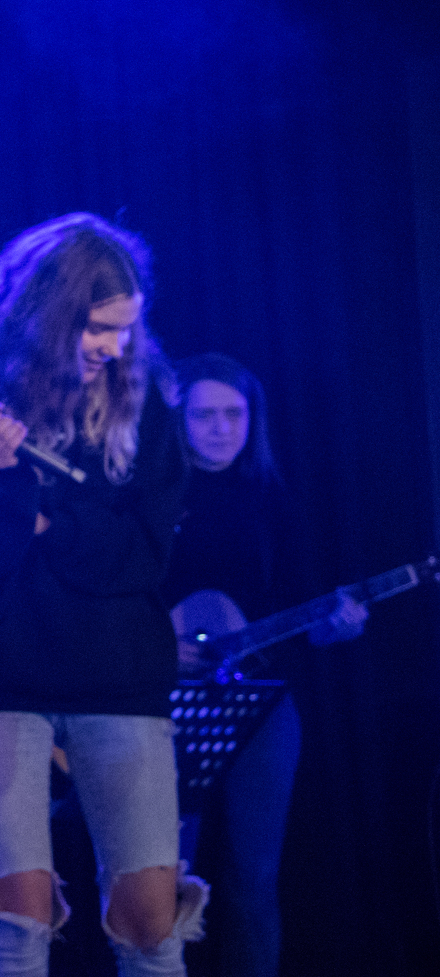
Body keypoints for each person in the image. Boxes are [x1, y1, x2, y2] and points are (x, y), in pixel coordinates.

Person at [0, 213, 206, 977]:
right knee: (17, 919)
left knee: (151, 923)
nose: (115, 347)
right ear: (45, 318)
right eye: (98, 328)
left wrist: (49, 519)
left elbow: (143, 557)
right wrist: (1, 484)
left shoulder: (146, 401)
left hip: (119, 674)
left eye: (125, 329)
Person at [163, 353, 362, 977]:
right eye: (204, 415)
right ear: (179, 420)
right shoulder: (152, 494)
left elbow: (303, 610)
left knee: (255, 881)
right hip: (165, 703)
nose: (221, 428)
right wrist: (156, 644)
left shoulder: (272, 496)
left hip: (261, 703)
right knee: (164, 881)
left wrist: (337, 625)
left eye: (235, 413)